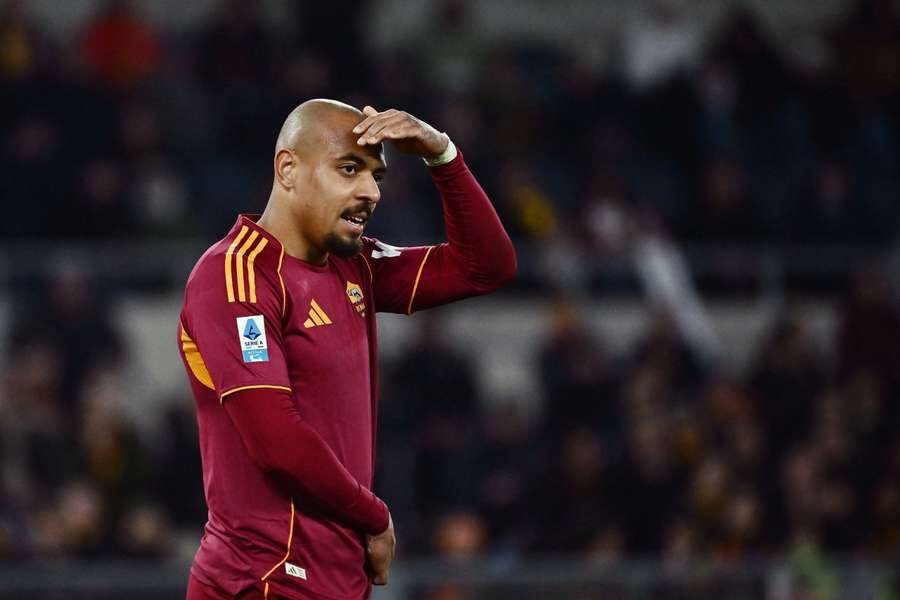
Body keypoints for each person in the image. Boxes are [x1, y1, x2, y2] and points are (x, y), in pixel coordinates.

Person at [177, 99, 516, 599]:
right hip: (265, 579)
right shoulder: (235, 276)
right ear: (287, 169)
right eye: (349, 168)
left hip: (339, 579)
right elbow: (275, 439)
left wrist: (441, 153)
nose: (371, 192)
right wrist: (373, 516)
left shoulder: (353, 264)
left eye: (377, 175)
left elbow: (486, 267)